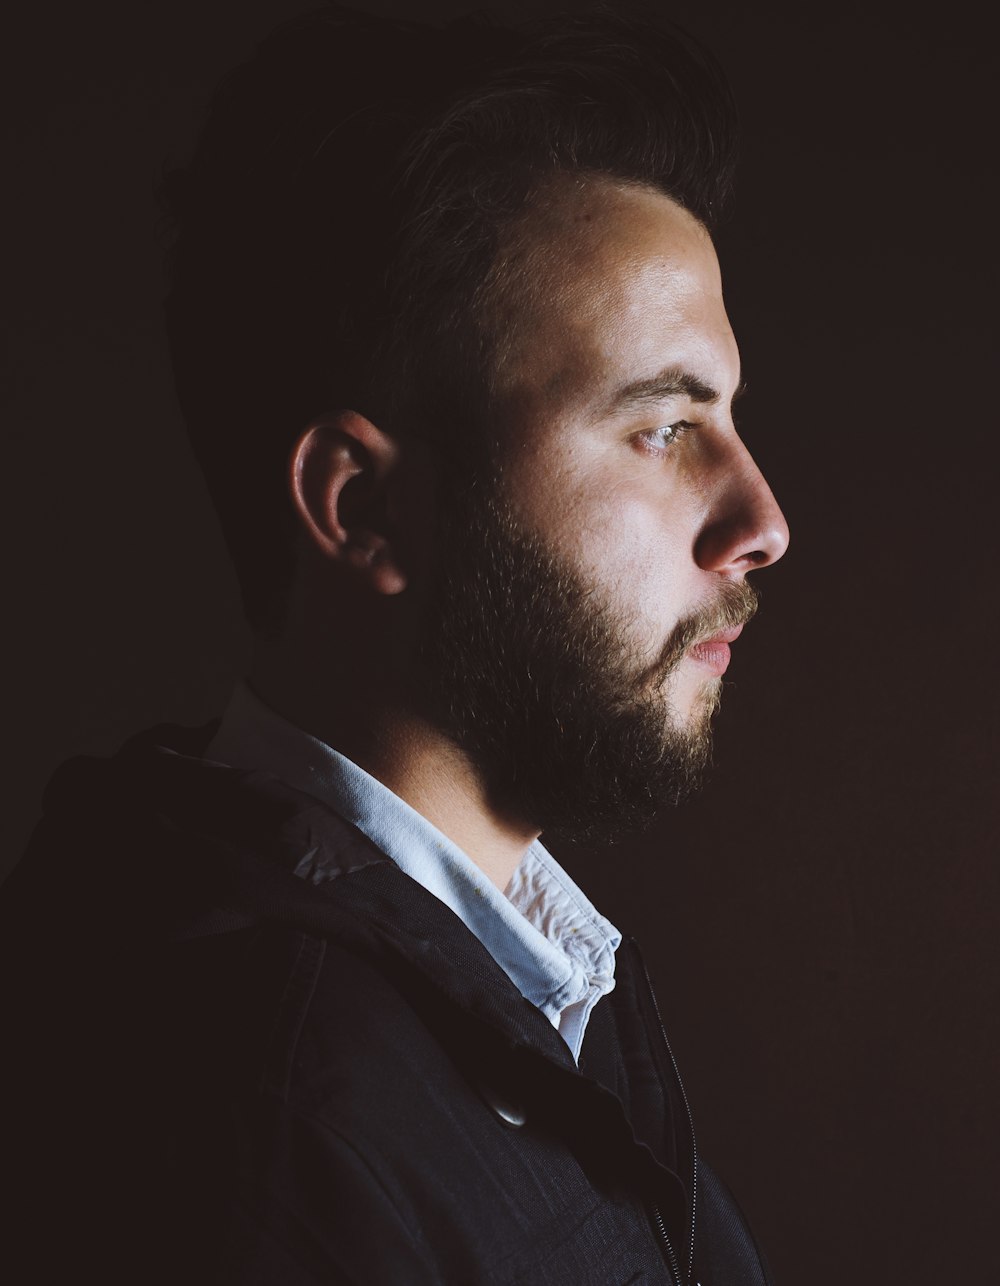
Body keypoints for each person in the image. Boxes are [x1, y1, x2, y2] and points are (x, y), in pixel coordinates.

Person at [1, 5, 789, 1283]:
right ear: (360, 506)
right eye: (661, 427)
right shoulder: (269, 1131)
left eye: (730, 419)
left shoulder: (502, 996)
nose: (761, 520)